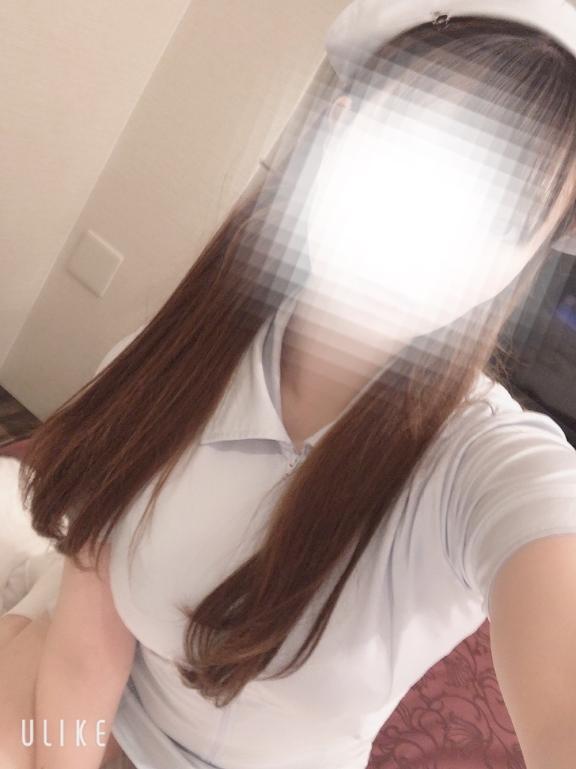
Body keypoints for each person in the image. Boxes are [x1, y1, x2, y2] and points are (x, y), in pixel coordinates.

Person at [2, 2, 576, 768]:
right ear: (337, 131)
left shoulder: (491, 465)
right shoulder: (168, 363)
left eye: (505, 208)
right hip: (90, 709)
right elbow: (82, 651)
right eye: (416, 147)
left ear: (528, 261)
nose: (422, 227)